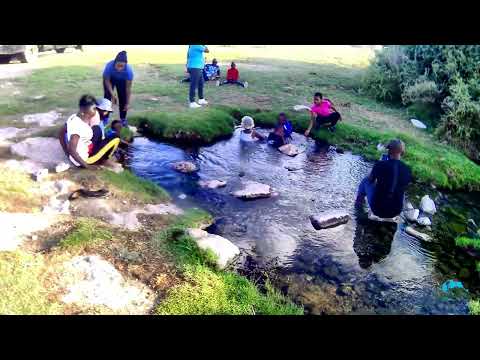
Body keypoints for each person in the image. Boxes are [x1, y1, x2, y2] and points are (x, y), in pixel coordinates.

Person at [355, 139, 412, 219]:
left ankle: (358, 207)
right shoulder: (407, 169)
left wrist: (377, 167)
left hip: (378, 209)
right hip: (396, 211)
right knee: (400, 189)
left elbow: (370, 180)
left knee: (365, 181)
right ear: (402, 152)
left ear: (389, 150)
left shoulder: (380, 165)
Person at [66, 95, 120, 169]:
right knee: (116, 137)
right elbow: (72, 149)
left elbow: (62, 132)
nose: (96, 111)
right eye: (94, 108)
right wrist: (87, 166)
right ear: (83, 110)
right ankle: (104, 160)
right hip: (86, 160)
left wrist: (67, 154)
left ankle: (99, 155)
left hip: (86, 149)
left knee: (97, 129)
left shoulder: (73, 117)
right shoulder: (78, 126)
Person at [103, 51, 134, 126]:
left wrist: (127, 103)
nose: (120, 68)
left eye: (122, 66)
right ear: (114, 63)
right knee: (107, 98)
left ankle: (123, 119)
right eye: (118, 65)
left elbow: (128, 88)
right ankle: (105, 118)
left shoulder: (129, 71)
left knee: (123, 99)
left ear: (125, 65)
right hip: (110, 80)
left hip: (122, 81)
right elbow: (107, 81)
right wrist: (113, 95)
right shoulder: (109, 67)